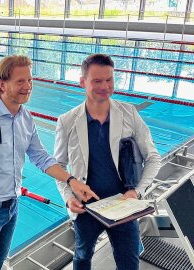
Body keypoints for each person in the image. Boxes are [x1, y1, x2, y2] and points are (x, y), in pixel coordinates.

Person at [0, 55, 99, 270]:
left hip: (12, 206)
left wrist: (71, 180)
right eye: (20, 81)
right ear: (1, 84)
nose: (28, 87)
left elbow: (40, 157)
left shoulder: (25, 117)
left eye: (30, 80)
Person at [54, 53, 161, 270]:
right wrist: (68, 199)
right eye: (97, 81)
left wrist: (137, 192)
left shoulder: (129, 113)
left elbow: (153, 158)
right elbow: (59, 168)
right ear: (83, 82)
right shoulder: (67, 122)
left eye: (109, 79)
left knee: (129, 262)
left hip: (124, 204)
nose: (105, 86)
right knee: (82, 257)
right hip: (86, 209)